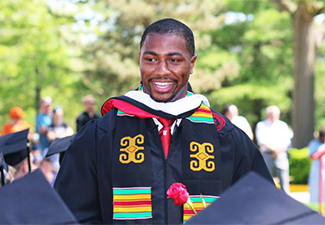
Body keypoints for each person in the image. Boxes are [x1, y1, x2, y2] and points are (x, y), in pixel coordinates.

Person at [54, 18, 273, 224]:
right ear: (139, 59)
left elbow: (259, 211)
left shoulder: (225, 138)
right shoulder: (101, 134)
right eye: (151, 59)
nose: (161, 71)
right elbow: (72, 215)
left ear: (192, 63)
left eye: (174, 60)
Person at [255, 105, 292, 193]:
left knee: (284, 181)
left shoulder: (282, 125)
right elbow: (261, 140)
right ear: (267, 114)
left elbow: (287, 141)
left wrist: (278, 150)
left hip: (281, 155)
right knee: (266, 180)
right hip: (267, 154)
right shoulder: (261, 125)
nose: (273, 115)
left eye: (275, 114)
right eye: (271, 113)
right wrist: (273, 150)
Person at [308, 128, 325, 203]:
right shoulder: (313, 143)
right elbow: (311, 157)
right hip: (316, 170)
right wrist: (319, 153)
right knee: (315, 189)